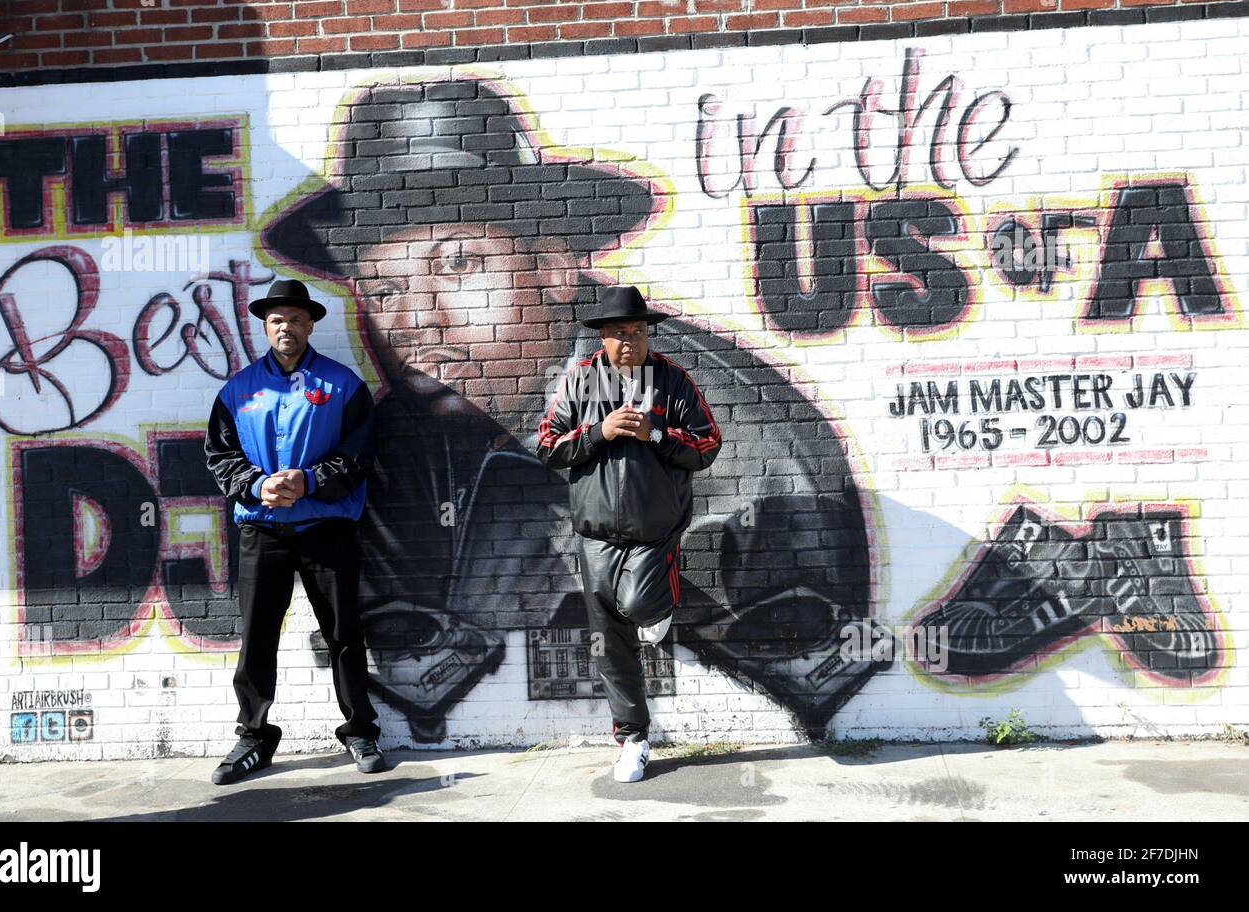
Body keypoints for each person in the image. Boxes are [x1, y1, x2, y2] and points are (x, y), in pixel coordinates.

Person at [261, 74, 881, 752]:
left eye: (459, 265)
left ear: (555, 269)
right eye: (383, 288)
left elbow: (791, 688)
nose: (418, 321)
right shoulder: (410, 426)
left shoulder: (729, 436)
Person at [203, 277, 385, 784]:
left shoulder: (343, 385)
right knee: (257, 637)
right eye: (278, 319)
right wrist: (257, 486)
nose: (288, 327)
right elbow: (220, 457)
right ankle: (254, 736)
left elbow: (359, 455)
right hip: (263, 532)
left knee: (344, 633)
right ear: (266, 326)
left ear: (310, 326)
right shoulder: (238, 390)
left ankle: (360, 728)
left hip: (327, 528)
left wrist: (307, 481)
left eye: (297, 319)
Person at [537, 285, 721, 782]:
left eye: (637, 332)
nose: (629, 342)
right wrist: (600, 432)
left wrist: (654, 435)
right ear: (603, 337)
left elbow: (706, 446)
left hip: (655, 528)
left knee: (640, 605)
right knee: (611, 642)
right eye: (620, 333)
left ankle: (660, 604)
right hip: (595, 533)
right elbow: (548, 445)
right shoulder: (579, 382)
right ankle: (634, 738)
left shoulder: (673, 381)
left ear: (647, 335)